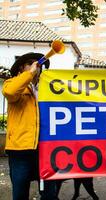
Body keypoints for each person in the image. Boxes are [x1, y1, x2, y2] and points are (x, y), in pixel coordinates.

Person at [2, 53, 58, 200]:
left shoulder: (47, 89)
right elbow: (10, 92)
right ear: (21, 67)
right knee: (20, 194)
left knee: (50, 194)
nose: (37, 65)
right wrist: (29, 74)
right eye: (31, 62)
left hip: (45, 150)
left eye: (38, 63)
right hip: (20, 150)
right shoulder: (12, 83)